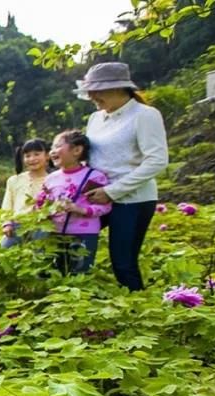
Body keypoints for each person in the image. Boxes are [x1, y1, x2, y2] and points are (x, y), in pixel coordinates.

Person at [78, 62, 169, 291]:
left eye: (97, 91)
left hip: (133, 200)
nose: (92, 97)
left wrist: (112, 191)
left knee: (123, 262)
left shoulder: (145, 115)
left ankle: (138, 314)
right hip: (96, 196)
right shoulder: (96, 119)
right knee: (71, 244)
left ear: (119, 88)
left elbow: (157, 161)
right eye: (90, 91)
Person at [34, 130, 111, 275]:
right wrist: (42, 210)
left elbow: (105, 206)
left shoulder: (93, 176)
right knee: (53, 274)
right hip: (54, 233)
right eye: (52, 148)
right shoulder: (51, 178)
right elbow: (40, 202)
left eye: (57, 146)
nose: (52, 152)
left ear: (77, 150)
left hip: (84, 233)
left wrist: (80, 209)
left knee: (80, 273)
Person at [0, 138, 51, 248]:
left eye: (36, 154)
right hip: (16, 226)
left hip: (42, 225)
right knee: (3, 250)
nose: (32, 159)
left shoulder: (53, 180)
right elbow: (7, 205)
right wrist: (7, 223)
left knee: (39, 255)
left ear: (47, 155)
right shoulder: (14, 180)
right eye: (27, 156)